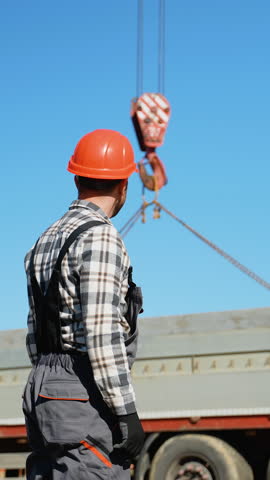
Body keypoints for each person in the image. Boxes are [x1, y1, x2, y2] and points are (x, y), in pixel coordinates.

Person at [22, 129, 145, 480]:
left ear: (76, 178)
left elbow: (35, 333)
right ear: (123, 185)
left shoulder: (44, 239)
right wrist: (126, 412)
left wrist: (52, 384)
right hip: (82, 388)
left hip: (42, 387)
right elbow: (102, 331)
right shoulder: (100, 235)